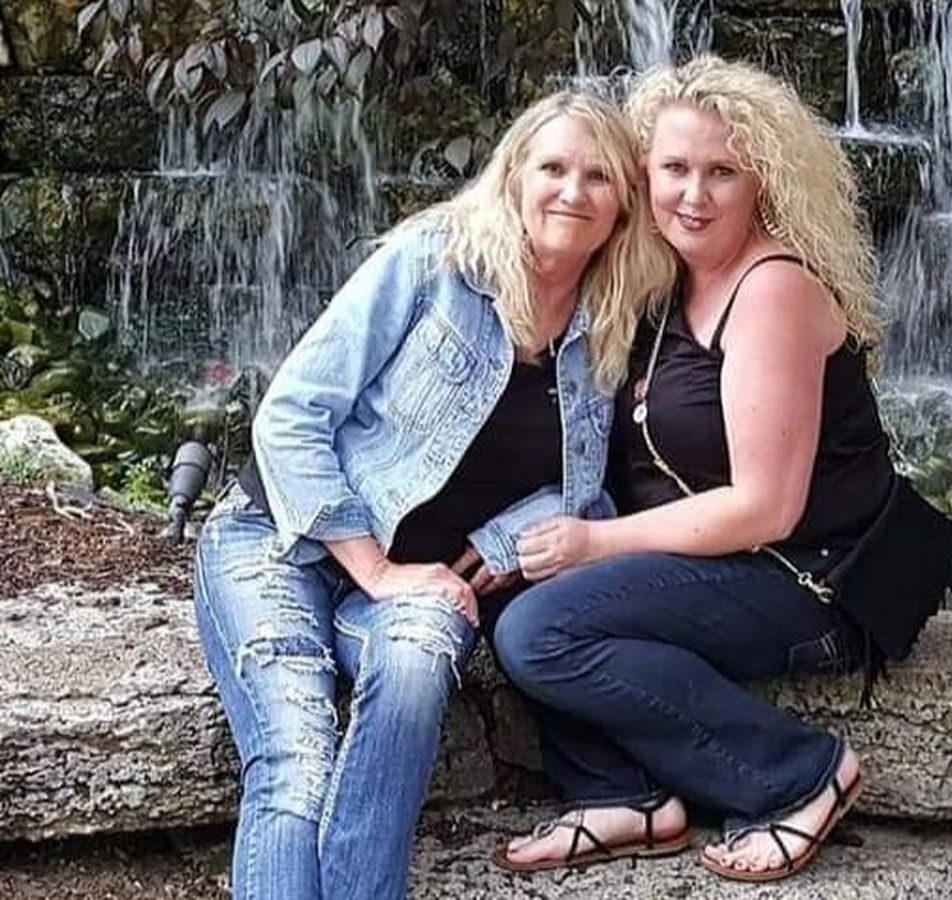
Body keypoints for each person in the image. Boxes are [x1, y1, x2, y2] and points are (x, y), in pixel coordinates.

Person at [192, 91, 673, 900]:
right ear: (514, 176)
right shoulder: (433, 261)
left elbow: (588, 488)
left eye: (598, 176)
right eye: (553, 168)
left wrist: (502, 541)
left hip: (423, 582)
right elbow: (292, 415)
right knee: (298, 755)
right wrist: (374, 569)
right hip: (277, 543)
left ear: (624, 201)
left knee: (417, 667)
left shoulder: (613, 322)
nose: (572, 191)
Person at [491, 56, 892, 883]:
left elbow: (765, 509)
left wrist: (594, 543)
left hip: (807, 580)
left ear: (764, 181)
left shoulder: (771, 291)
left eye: (722, 173)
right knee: (515, 585)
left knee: (542, 631)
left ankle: (799, 775)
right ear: (643, 176)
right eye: (674, 169)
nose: (694, 195)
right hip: (718, 562)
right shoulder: (664, 281)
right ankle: (620, 795)